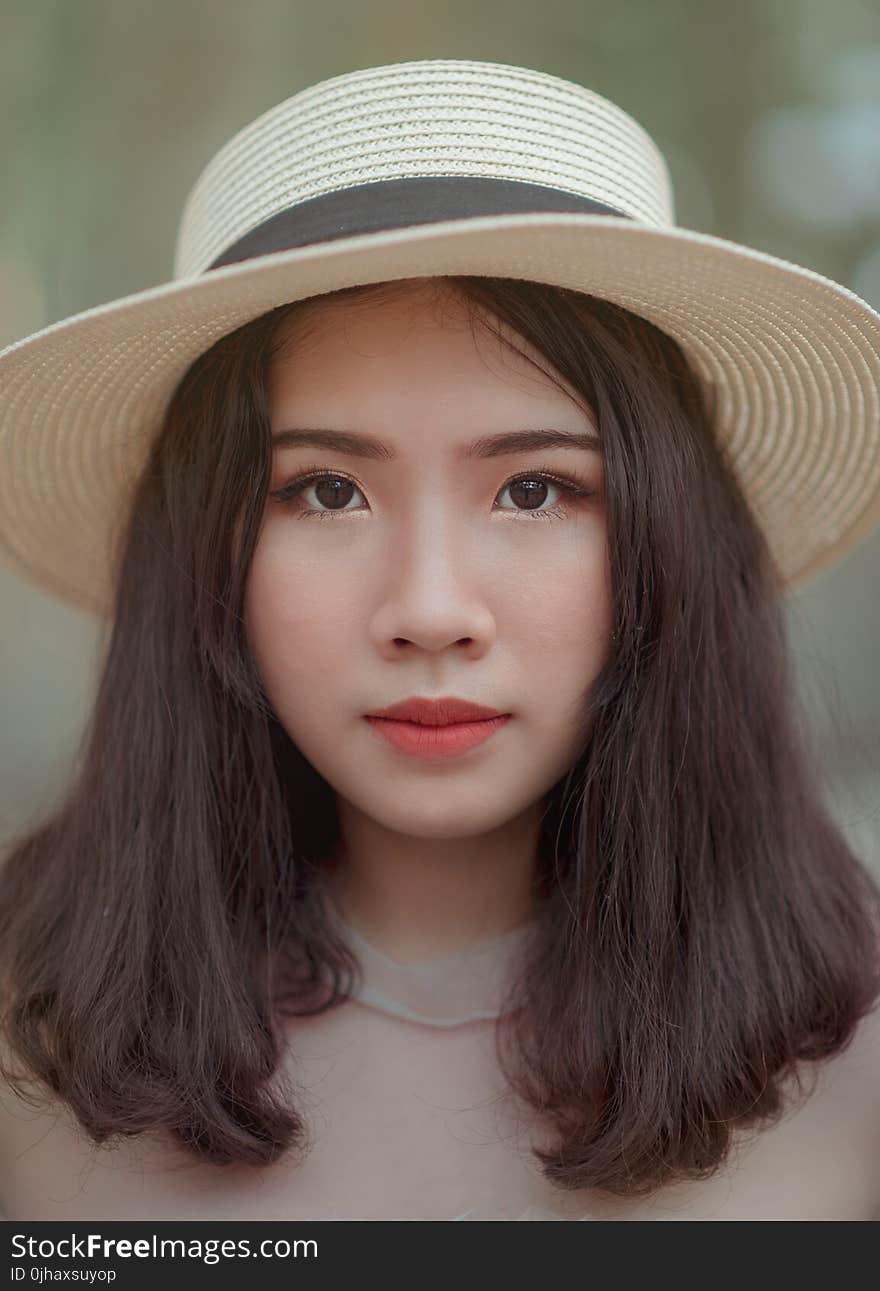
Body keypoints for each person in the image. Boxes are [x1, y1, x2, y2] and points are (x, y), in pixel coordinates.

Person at [0, 59, 878, 1222]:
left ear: (670, 540)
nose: (428, 608)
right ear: (205, 550)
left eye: (533, 491)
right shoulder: (25, 1038)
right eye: (322, 490)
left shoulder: (856, 1052)